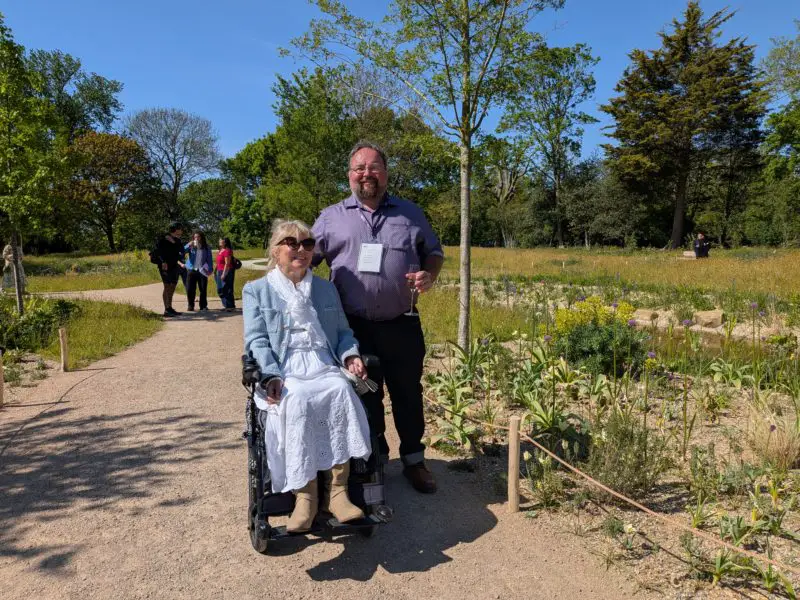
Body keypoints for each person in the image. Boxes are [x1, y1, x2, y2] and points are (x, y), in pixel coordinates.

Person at [311, 141, 444, 494]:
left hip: (402, 323)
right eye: (359, 168)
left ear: (386, 173)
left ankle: (414, 460)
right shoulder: (330, 217)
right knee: (363, 397)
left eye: (374, 167)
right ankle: (375, 462)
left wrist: (430, 275)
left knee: (407, 395)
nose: (366, 174)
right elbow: (305, 260)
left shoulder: (410, 213)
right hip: (351, 329)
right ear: (349, 175)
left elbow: (433, 253)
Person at [243, 219, 372, 532]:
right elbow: (257, 340)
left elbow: (342, 332)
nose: (300, 249)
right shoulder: (257, 290)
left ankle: (338, 492)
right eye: (291, 242)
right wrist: (271, 374)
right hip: (285, 367)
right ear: (275, 251)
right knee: (298, 398)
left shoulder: (325, 289)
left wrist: (351, 355)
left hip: (322, 362)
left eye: (308, 243)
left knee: (340, 390)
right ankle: (306, 496)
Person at [155, 223, 185, 317]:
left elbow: (182, 250)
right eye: (180, 229)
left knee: (172, 286)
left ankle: (170, 307)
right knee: (167, 286)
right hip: (165, 266)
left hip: (174, 265)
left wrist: (174, 242)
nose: (182, 230)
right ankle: (166, 309)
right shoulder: (163, 239)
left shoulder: (177, 240)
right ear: (175, 229)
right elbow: (158, 251)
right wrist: (163, 262)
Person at [184, 231, 213, 311]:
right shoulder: (190, 246)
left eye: (198, 237)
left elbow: (209, 259)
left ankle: (203, 306)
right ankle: (190, 305)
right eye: (195, 237)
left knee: (203, 289)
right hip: (191, 269)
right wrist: (188, 245)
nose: (196, 238)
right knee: (190, 289)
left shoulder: (206, 247)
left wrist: (210, 269)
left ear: (202, 238)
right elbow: (182, 251)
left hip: (202, 270)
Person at [214, 237, 236, 311]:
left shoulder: (227, 251)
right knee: (220, 289)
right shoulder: (220, 250)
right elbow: (219, 262)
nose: (219, 242)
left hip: (226, 271)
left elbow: (227, 263)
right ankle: (227, 305)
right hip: (219, 271)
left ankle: (230, 306)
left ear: (225, 242)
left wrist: (224, 274)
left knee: (227, 288)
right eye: (219, 240)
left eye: (221, 241)